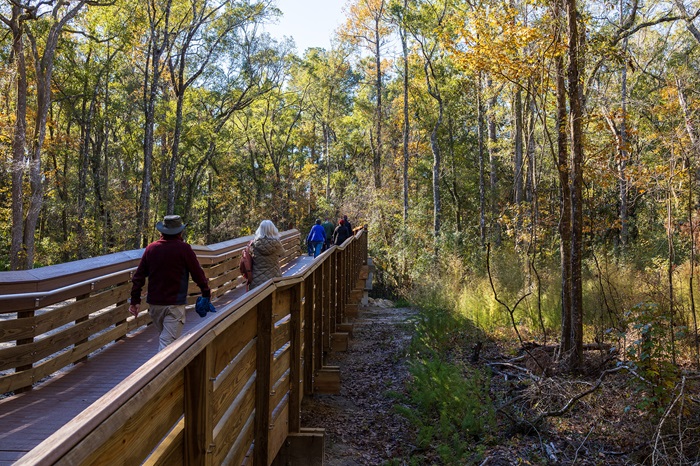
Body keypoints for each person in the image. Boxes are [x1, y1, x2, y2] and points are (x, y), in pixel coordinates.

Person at [129, 215, 212, 351]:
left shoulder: (151, 248)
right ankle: (158, 372)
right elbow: (198, 273)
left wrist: (135, 300)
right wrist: (206, 292)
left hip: (155, 306)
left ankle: (163, 370)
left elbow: (138, 276)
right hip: (174, 305)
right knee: (167, 347)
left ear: (162, 232)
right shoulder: (184, 249)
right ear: (180, 232)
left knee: (166, 341)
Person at [250, 220, 285, 289]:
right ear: (273, 230)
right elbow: (283, 253)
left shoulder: (254, 244)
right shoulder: (277, 243)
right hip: (274, 279)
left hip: (257, 281)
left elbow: (251, 255)